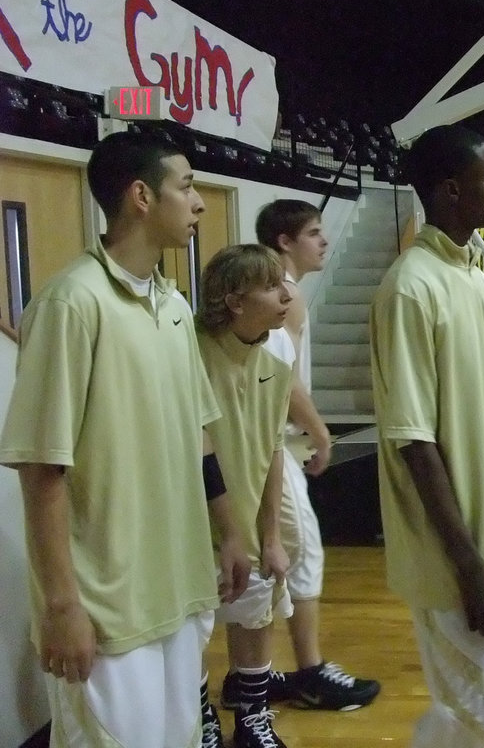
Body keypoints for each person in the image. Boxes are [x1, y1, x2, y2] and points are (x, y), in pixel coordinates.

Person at [0, 130, 249, 748]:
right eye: (187, 187)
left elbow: (197, 436)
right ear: (141, 196)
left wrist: (230, 530)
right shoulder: (70, 303)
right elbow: (42, 468)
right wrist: (62, 607)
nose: (197, 203)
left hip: (180, 588)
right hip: (108, 609)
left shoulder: (172, 306)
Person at [370, 124, 484, 748]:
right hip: (462, 560)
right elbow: (414, 442)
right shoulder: (409, 287)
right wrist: (469, 566)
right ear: (452, 189)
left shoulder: (476, 276)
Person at [220, 199, 380, 711]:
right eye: (314, 233)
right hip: (270, 446)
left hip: (267, 445)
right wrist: (323, 433)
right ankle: (308, 671)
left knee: (277, 558)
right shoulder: (283, 296)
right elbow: (282, 383)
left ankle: (245, 676)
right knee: (299, 552)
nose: (324, 242)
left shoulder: (284, 294)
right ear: (285, 242)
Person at [195, 244, 296, 748]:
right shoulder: (190, 351)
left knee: (257, 613)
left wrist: (272, 534)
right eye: (273, 285)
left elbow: (274, 450)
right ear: (235, 300)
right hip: (191, 529)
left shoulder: (276, 367)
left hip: (250, 526)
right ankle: (200, 715)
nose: (286, 294)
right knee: (191, 631)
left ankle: (252, 716)